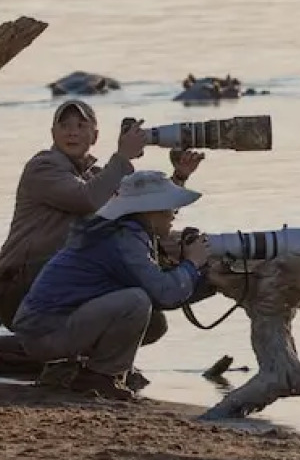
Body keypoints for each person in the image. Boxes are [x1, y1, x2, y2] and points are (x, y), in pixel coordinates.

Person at [0, 101, 204, 330]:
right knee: (137, 307)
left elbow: (146, 214)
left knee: (150, 321)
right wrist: (123, 156)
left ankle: (90, 362)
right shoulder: (43, 167)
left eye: (81, 126)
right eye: (65, 126)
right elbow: (86, 200)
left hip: (59, 284)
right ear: (53, 133)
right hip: (21, 287)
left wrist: (179, 177)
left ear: (95, 136)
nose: (72, 132)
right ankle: (45, 355)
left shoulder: (96, 175)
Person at [11, 170, 215, 401]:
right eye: (170, 208)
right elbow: (165, 294)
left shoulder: (118, 230)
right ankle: (101, 376)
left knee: (148, 313)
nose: (174, 216)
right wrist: (192, 263)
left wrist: (203, 278)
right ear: (150, 211)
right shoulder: (124, 239)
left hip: (43, 327)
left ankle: (80, 369)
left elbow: (162, 293)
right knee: (136, 301)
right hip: (46, 332)